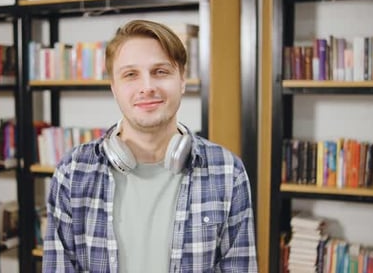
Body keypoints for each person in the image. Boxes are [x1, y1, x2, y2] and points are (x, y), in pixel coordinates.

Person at [42, 19, 257, 273]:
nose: (147, 87)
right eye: (130, 74)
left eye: (161, 72)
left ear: (182, 80)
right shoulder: (73, 172)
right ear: (114, 88)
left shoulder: (228, 171)